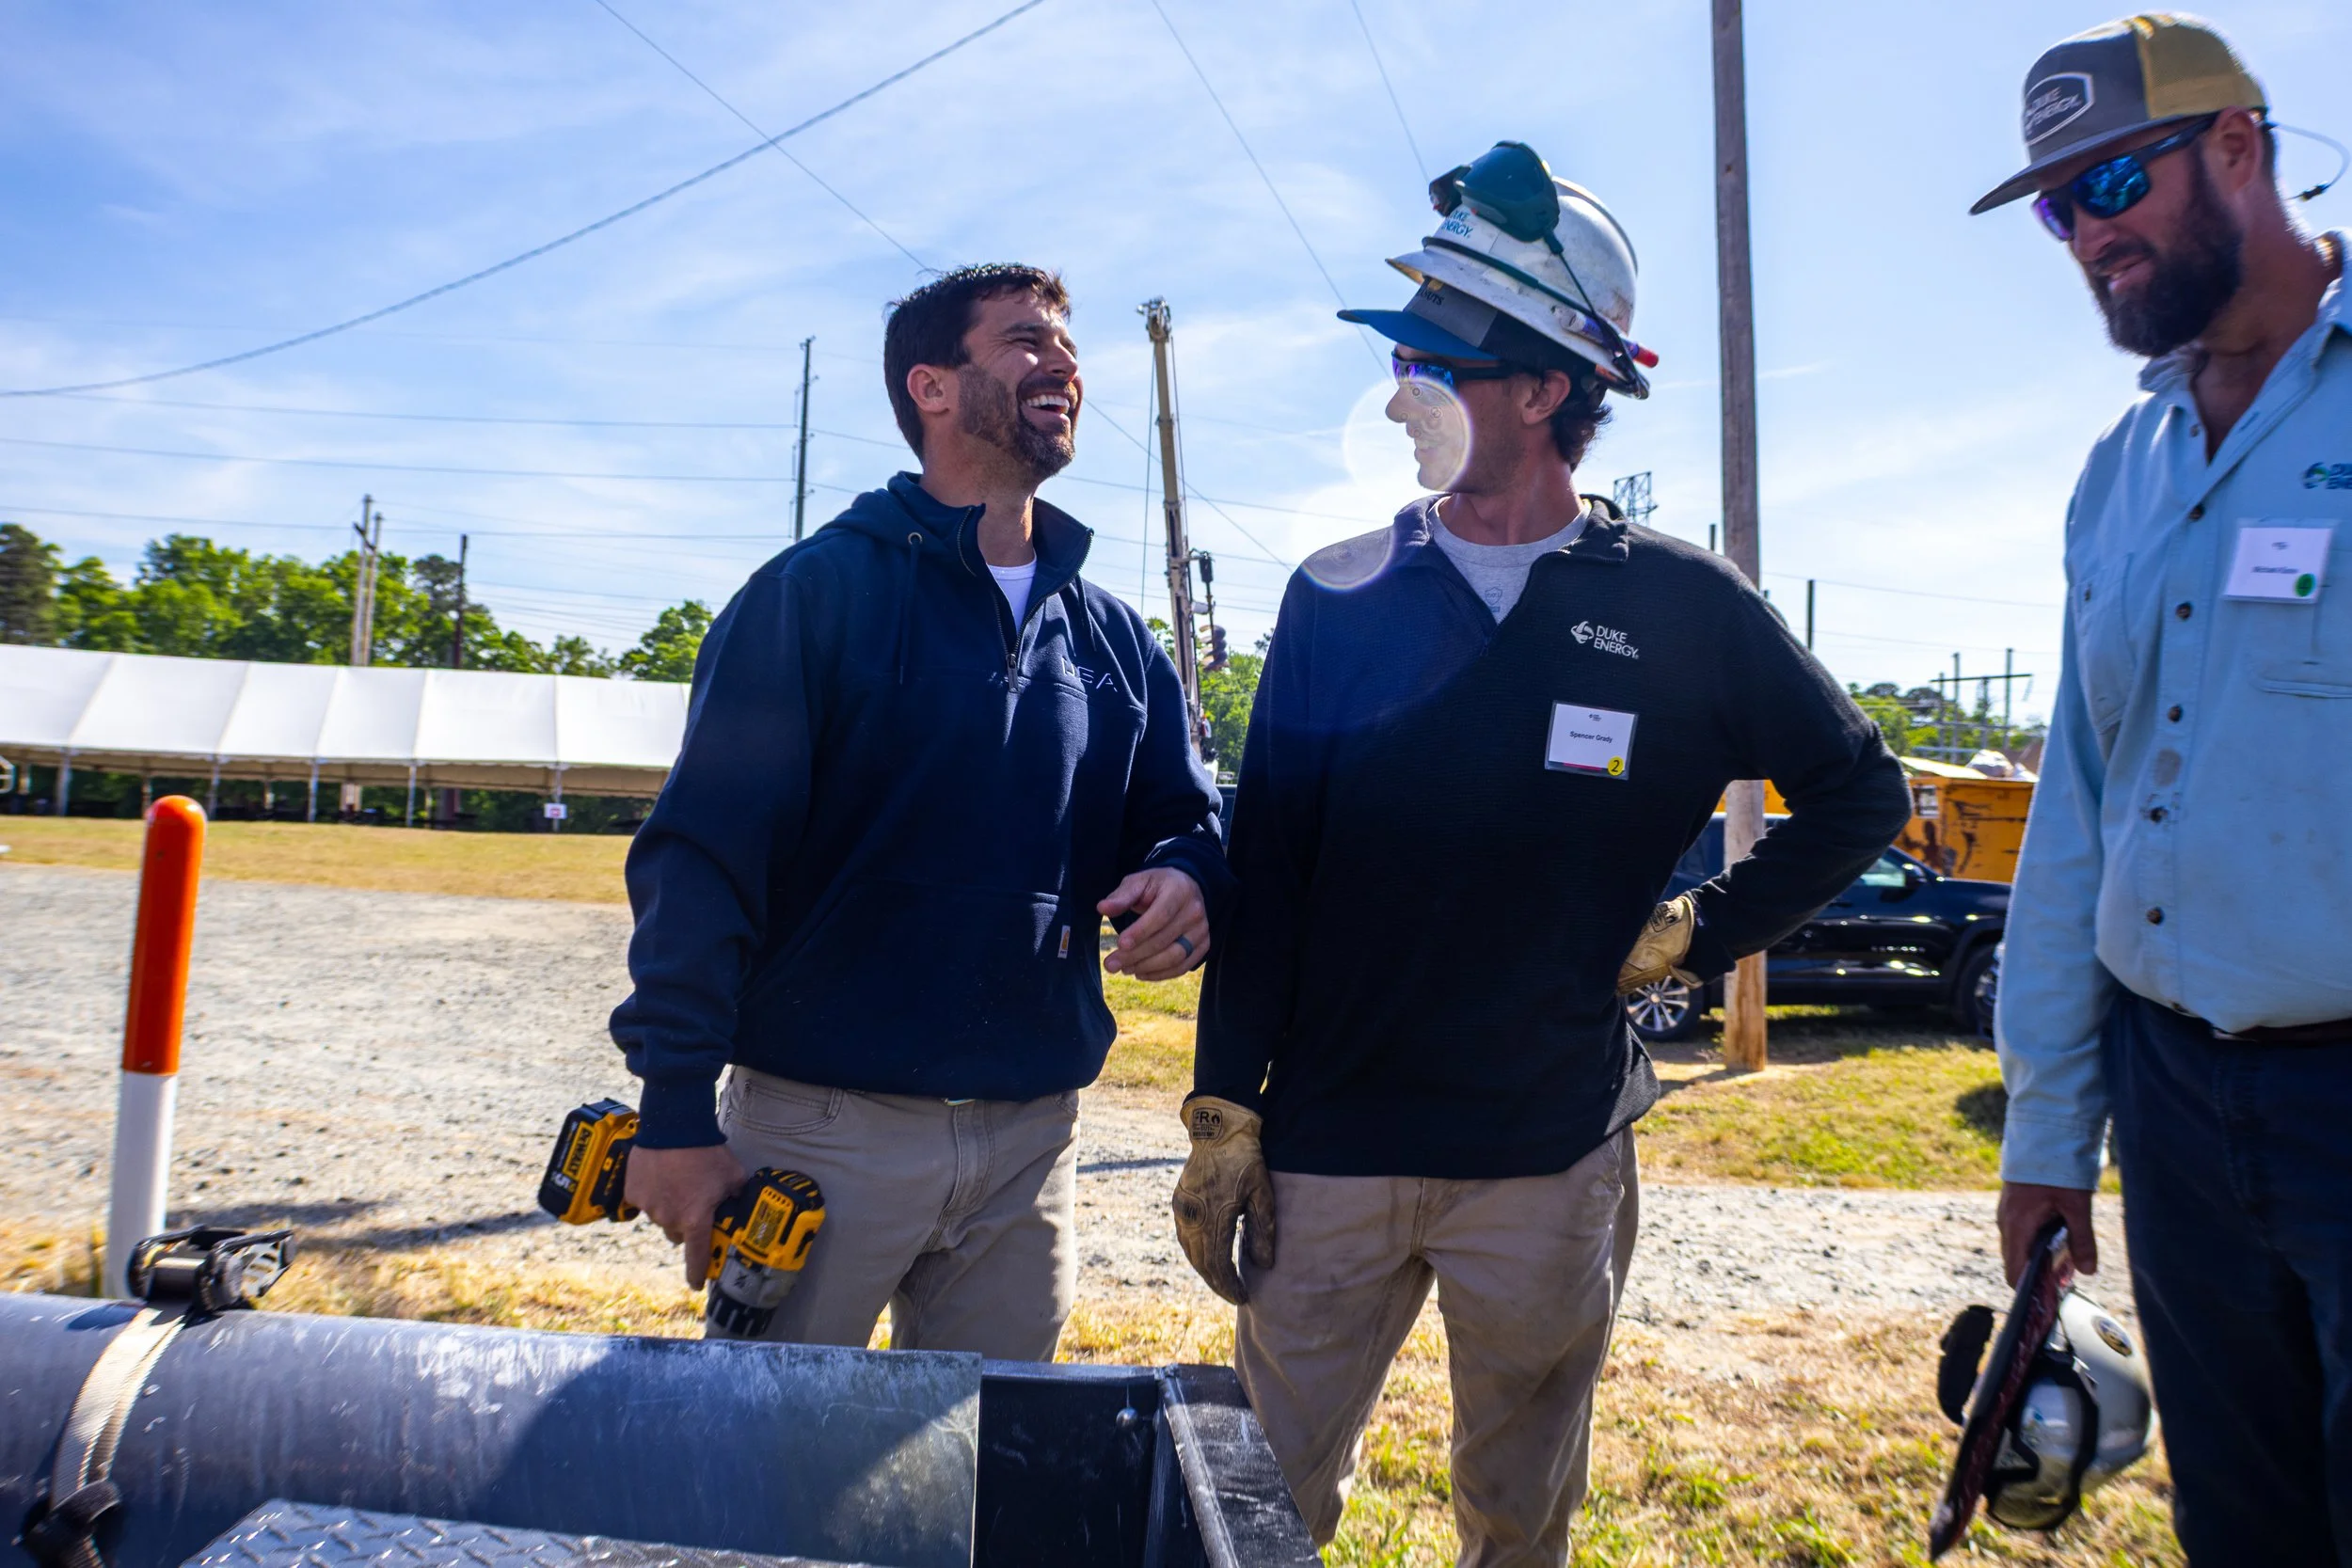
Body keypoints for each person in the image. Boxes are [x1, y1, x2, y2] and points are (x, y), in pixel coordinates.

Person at [1177, 143, 1913, 1563]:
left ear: (1544, 389)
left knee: (1520, 1514)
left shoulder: (1681, 606)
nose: (1399, 395)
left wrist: (1702, 927)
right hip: (1331, 1148)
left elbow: (1858, 790)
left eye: (1433, 363)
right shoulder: (1339, 597)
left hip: (1546, 1153)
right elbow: (1269, 866)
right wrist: (1225, 1109)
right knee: (1260, 1502)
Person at [610, 263, 1232, 1361]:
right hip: (821, 1131)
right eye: (1026, 341)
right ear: (931, 388)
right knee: (772, 1474)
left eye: (1069, 348)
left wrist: (1185, 874)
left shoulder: (1113, 636)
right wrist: (671, 1108)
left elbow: (1186, 814)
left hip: (1030, 1135)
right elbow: (701, 856)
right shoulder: (812, 595)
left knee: (980, 1470)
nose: (1064, 364)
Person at [1972, 15, 2352, 1560]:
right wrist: (2051, 1126)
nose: (2089, 235)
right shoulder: (2117, 476)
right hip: (2173, 1101)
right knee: (2243, 1523)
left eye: (2114, 179)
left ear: (2240, 149)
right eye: (2060, 209)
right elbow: (2077, 813)